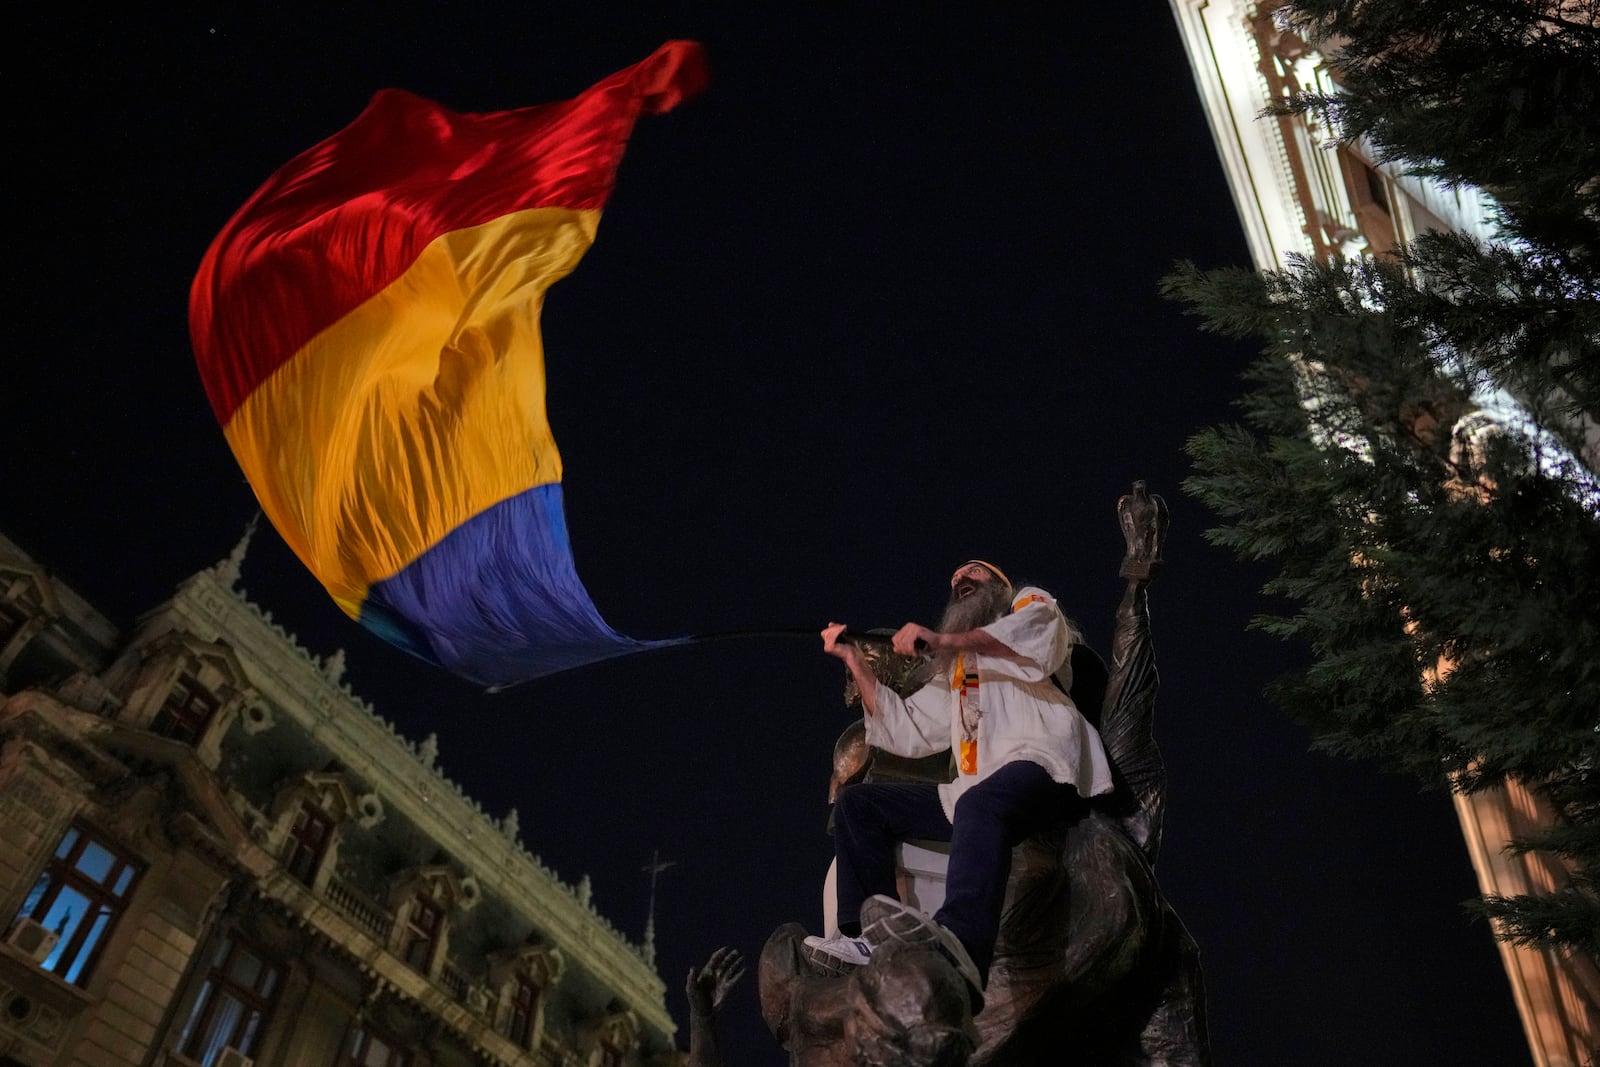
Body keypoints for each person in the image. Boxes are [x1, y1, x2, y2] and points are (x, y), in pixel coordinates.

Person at [810, 560, 1114, 1004]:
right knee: (859, 804)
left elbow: (1040, 635)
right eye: (954, 580)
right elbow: (907, 729)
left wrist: (940, 640)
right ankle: (865, 938)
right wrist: (855, 660)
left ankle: (964, 951)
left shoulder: (1027, 605)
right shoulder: (955, 669)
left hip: (1042, 764)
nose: (960, 580)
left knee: (980, 804)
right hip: (976, 789)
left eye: (973, 573)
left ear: (1000, 585)